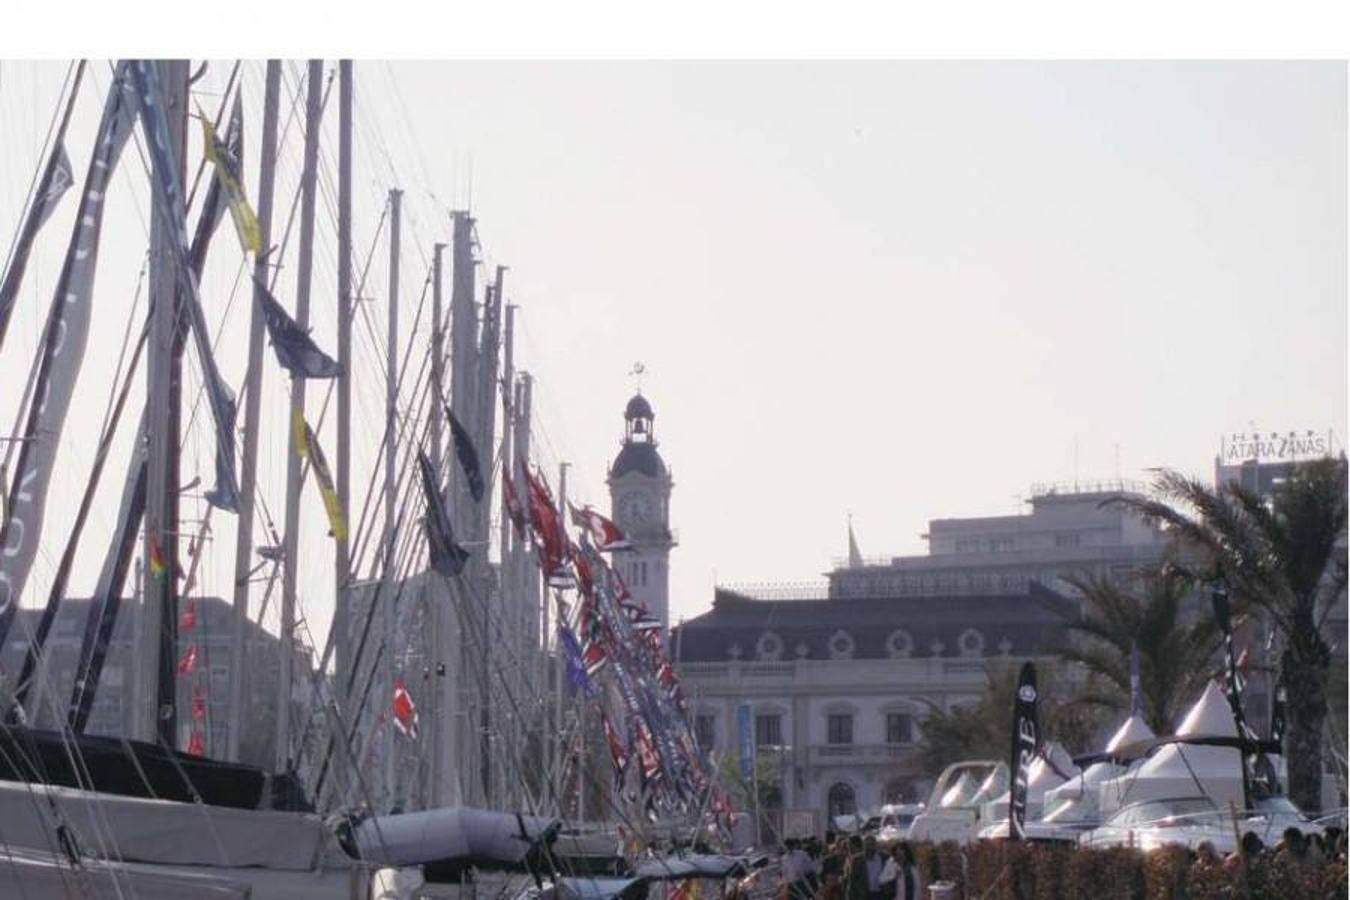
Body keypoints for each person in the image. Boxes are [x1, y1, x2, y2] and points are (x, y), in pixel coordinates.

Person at [843, 835, 870, 900]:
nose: (847, 847)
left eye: (848, 844)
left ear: (854, 844)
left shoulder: (858, 859)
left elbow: (859, 881)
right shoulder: (851, 858)